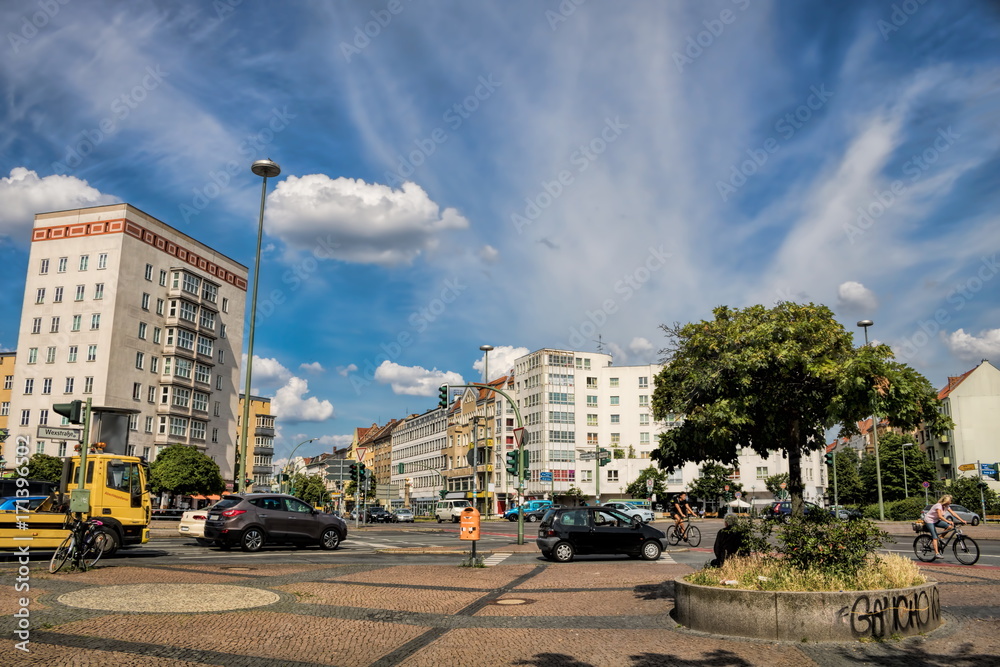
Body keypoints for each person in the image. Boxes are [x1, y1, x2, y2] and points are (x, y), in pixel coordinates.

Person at [924, 494, 967, 559]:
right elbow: (940, 516)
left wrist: (962, 520)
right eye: (950, 500)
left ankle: (941, 537)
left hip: (936, 520)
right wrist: (948, 521)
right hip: (929, 520)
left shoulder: (947, 506)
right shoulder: (938, 506)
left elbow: (953, 513)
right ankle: (937, 553)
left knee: (949, 527)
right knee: (935, 537)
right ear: (946, 501)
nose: (951, 502)